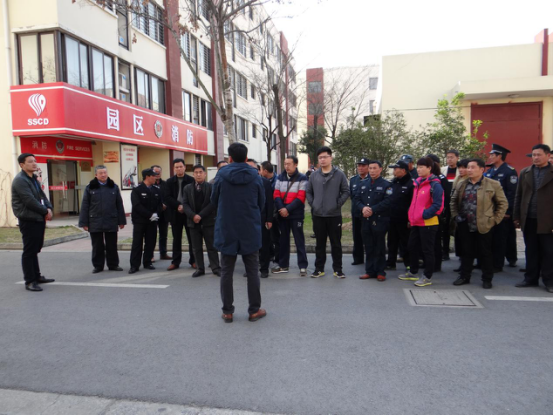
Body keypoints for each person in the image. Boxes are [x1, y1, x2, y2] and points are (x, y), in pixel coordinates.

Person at [211, 143, 266, 323]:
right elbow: (261, 202)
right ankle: (254, 310)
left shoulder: (221, 175)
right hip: (249, 228)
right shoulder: (255, 176)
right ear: (246, 157)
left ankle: (227, 311)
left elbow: (214, 200)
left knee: (227, 271)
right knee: (252, 271)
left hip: (227, 227)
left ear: (230, 158)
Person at [450, 159, 508, 289]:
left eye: (472, 167)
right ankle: (464, 276)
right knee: (466, 252)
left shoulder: (493, 184)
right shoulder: (462, 184)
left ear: (482, 169)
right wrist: (455, 216)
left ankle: (487, 279)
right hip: (465, 223)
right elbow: (453, 201)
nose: (469, 170)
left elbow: (502, 204)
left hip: (484, 224)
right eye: (468, 167)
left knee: (485, 252)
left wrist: (494, 220)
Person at [11, 153, 55, 292]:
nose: (34, 163)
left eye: (35, 161)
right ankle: (30, 281)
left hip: (38, 218)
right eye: (30, 161)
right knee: (29, 251)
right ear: (22, 165)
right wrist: (45, 211)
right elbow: (29, 200)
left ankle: (37, 276)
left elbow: (42, 196)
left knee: (35, 249)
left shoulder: (34, 179)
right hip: (28, 219)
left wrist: (49, 208)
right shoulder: (20, 180)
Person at [513, 144, 553, 293]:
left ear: (548, 156)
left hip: (548, 219)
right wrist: (516, 216)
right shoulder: (525, 172)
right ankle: (530, 278)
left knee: (548, 252)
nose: (535, 157)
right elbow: (519, 195)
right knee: (531, 250)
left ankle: (549, 281)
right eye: (534, 155)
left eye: (539, 155)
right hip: (529, 217)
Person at [398, 157, 444, 287]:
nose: (418, 169)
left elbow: (438, 205)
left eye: (422, 167)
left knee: (427, 250)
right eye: (418, 167)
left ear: (429, 168)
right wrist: (412, 217)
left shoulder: (435, 184)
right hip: (416, 222)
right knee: (412, 247)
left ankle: (427, 276)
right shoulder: (417, 183)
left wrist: (424, 215)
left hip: (428, 223)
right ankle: (413, 272)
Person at [306, 146, 350, 278]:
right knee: (319, 244)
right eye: (320, 157)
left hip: (334, 215)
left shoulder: (339, 174)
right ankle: (319, 269)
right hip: (318, 215)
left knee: (336, 244)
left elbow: (346, 191)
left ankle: (338, 269)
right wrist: (313, 204)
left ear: (331, 158)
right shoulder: (314, 175)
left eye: (325, 157)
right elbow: (308, 191)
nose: (322, 160)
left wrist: (337, 204)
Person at [78, 165, 126, 273]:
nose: (103, 175)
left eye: (105, 172)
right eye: (101, 173)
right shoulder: (90, 187)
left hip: (111, 219)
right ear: (96, 175)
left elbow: (119, 204)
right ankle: (98, 266)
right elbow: (85, 205)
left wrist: (121, 221)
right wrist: (84, 223)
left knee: (112, 245)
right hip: (95, 220)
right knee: (97, 246)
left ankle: (113, 264)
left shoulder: (113, 187)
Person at [354, 160, 392, 281]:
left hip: (380, 220)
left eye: (374, 168)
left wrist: (372, 209)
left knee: (379, 246)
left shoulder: (387, 185)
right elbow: (356, 199)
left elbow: (388, 201)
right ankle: (369, 271)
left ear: (380, 169)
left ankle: (380, 271)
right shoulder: (363, 184)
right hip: (366, 219)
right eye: (370, 168)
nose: (372, 171)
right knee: (368, 245)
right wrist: (363, 208)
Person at [272, 155, 308, 276]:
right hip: (283, 215)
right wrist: (282, 208)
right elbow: (276, 194)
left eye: (289, 164)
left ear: (295, 164)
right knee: (283, 240)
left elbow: (301, 197)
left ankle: (302, 266)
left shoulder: (302, 178)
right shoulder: (280, 177)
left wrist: (287, 209)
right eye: (285, 164)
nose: (286, 166)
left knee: (299, 240)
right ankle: (283, 265)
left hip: (296, 214)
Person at [181, 165, 220, 278]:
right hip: (193, 222)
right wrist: (193, 216)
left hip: (208, 221)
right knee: (196, 247)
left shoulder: (211, 187)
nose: (198, 174)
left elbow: (213, 203)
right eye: (196, 172)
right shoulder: (187, 188)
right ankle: (200, 268)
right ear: (193, 174)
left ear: (205, 174)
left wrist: (200, 215)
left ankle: (215, 268)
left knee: (211, 247)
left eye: (200, 172)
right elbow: (185, 204)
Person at [484, 144, 518, 272]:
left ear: (499, 156)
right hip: (490, 210)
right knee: (493, 237)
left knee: (502, 237)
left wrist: (508, 211)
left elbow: (511, 193)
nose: (490, 157)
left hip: (502, 211)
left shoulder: (509, 171)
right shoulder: (490, 171)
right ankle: (492, 261)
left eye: (493, 155)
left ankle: (500, 263)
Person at [129, 168, 162, 274]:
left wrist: (156, 213)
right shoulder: (137, 190)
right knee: (137, 243)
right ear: (147, 177)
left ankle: (147, 262)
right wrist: (149, 215)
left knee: (150, 242)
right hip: (140, 221)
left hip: (152, 221)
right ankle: (134, 265)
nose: (155, 177)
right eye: (153, 176)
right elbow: (137, 205)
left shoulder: (156, 190)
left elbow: (160, 204)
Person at [164, 159, 195, 271]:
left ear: (185, 167)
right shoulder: (169, 181)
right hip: (175, 213)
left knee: (192, 238)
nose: (179, 169)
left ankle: (194, 261)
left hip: (189, 213)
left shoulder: (191, 180)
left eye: (181, 166)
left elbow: (194, 196)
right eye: (176, 167)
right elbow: (167, 197)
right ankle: (175, 262)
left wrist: (185, 207)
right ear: (174, 169)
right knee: (176, 238)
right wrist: (178, 205)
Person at [386, 160, 414, 271]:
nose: (394, 171)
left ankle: (409, 264)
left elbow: (413, 203)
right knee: (391, 241)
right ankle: (390, 262)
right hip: (392, 217)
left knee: (405, 242)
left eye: (395, 169)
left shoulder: (411, 184)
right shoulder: (393, 182)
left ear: (403, 170)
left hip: (404, 219)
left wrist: (410, 219)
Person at [248, 159, 274, 278]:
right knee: (249, 246)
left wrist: (269, 219)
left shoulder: (265, 182)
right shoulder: (242, 182)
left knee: (264, 245)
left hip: (262, 218)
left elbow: (270, 202)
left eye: (252, 168)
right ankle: (250, 269)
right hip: (247, 219)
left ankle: (264, 269)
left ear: (258, 170)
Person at [427, 154, 449, 271]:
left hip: (437, 213)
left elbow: (445, 198)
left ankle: (436, 264)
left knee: (435, 240)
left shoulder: (440, 179)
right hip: (428, 213)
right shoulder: (428, 178)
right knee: (429, 240)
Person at [440, 149, 460, 261]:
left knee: (457, 228)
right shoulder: (442, 170)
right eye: (448, 157)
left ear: (457, 158)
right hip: (445, 203)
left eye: (452, 157)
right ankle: (445, 252)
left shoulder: (461, 170)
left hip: (457, 203)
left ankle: (460, 252)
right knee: (445, 228)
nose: (449, 159)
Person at [349, 158, 370, 265]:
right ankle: (358, 258)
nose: (360, 168)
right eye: (359, 166)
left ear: (368, 167)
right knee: (356, 236)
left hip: (368, 213)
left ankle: (370, 258)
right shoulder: (353, 180)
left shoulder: (372, 179)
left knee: (368, 236)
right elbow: (352, 196)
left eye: (363, 165)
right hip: (356, 212)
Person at [451, 158, 470, 272]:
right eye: (460, 168)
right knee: (459, 240)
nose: (461, 170)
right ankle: (462, 263)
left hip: (467, 215)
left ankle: (466, 266)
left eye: (464, 167)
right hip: (458, 214)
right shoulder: (457, 179)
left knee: (466, 242)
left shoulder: (469, 180)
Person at [260, 161, 279, 265]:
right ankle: (271, 255)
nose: (260, 172)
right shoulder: (264, 181)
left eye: (261, 170)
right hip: (269, 213)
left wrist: (271, 216)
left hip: (275, 213)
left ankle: (278, 258)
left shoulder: (277, 181)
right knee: (269, 237)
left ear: (265, 171)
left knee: (275, 237)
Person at [151, 165, 172, 261]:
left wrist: (165, 204)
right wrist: (159, 205)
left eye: (159, 172)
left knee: (163, 234)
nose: (157, 173)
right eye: (155, 172)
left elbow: (169, 196)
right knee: (152, 235)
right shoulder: (149, 184)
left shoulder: (165, 184)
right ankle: (150, 255)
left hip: (164, 212)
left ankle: (163, 253)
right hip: (153, 213)